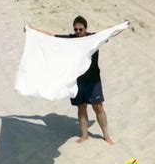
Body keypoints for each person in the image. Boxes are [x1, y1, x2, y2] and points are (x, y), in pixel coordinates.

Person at [31, 16, 127, 144]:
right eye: (75, 29)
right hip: (77, 82)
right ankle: (84, 135)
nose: (77, 31)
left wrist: (123, 24)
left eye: (80, 29)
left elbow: (110, 32)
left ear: (85, 28)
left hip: (93, 81)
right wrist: (32, 30)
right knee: (81, 108)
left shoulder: (93, 38)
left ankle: (106, 135)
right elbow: (51, 37)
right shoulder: (70, 40)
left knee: (98, 107)